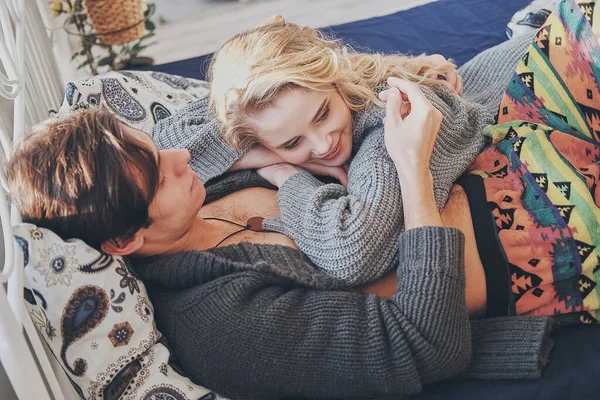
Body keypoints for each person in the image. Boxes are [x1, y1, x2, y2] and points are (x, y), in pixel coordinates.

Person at [7, 99, 553, 399]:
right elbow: (428, 346)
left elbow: (240, 108)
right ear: (124, 241)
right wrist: (410, 169)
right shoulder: (220, 325)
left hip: (498, 149)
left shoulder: (203, 192)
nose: (179, 156)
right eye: (161, 173)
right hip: (536, 237)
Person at [151, 15, 536, 291]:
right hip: (492, 71)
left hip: (532, 75)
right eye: (291, 143)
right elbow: (163, 143)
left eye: (323, 114)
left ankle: (534, 25)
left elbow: (354, 250)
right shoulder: (285, 118)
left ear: (335, 78)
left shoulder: (390, 121)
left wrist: (287, 173)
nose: (323, 146)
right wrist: (255, 156)